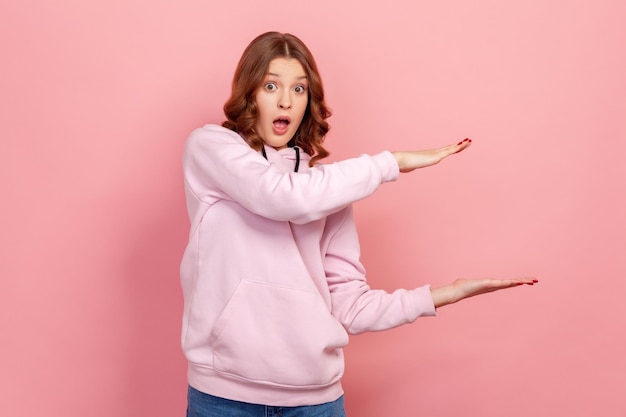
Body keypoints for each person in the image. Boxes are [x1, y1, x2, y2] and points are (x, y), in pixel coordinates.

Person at [180, 31, 537, 417]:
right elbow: (279, 196)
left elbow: (348, 307)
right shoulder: (211, 148)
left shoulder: (331, 189)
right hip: (224, 399)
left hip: (315, 403)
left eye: (299, 89)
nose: (285, 100)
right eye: (271, 86)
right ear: (249, 93)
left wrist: (443, 294)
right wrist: (390, 163)